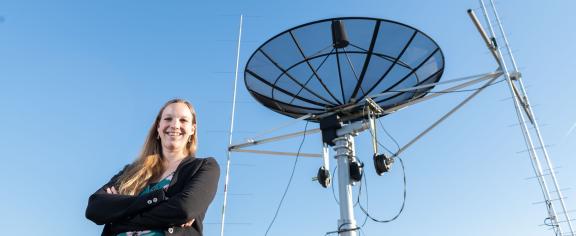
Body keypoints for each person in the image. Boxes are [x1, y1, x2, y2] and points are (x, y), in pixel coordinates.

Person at [86, 98, 220, 236]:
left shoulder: (205, 167)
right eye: (168, 119)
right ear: (158, 127)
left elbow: (184, 209)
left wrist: (118, 217)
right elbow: (95, 207)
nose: (174, 125)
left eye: (183, 120)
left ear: (192, 129)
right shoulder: (131, 171)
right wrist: (159, 200)